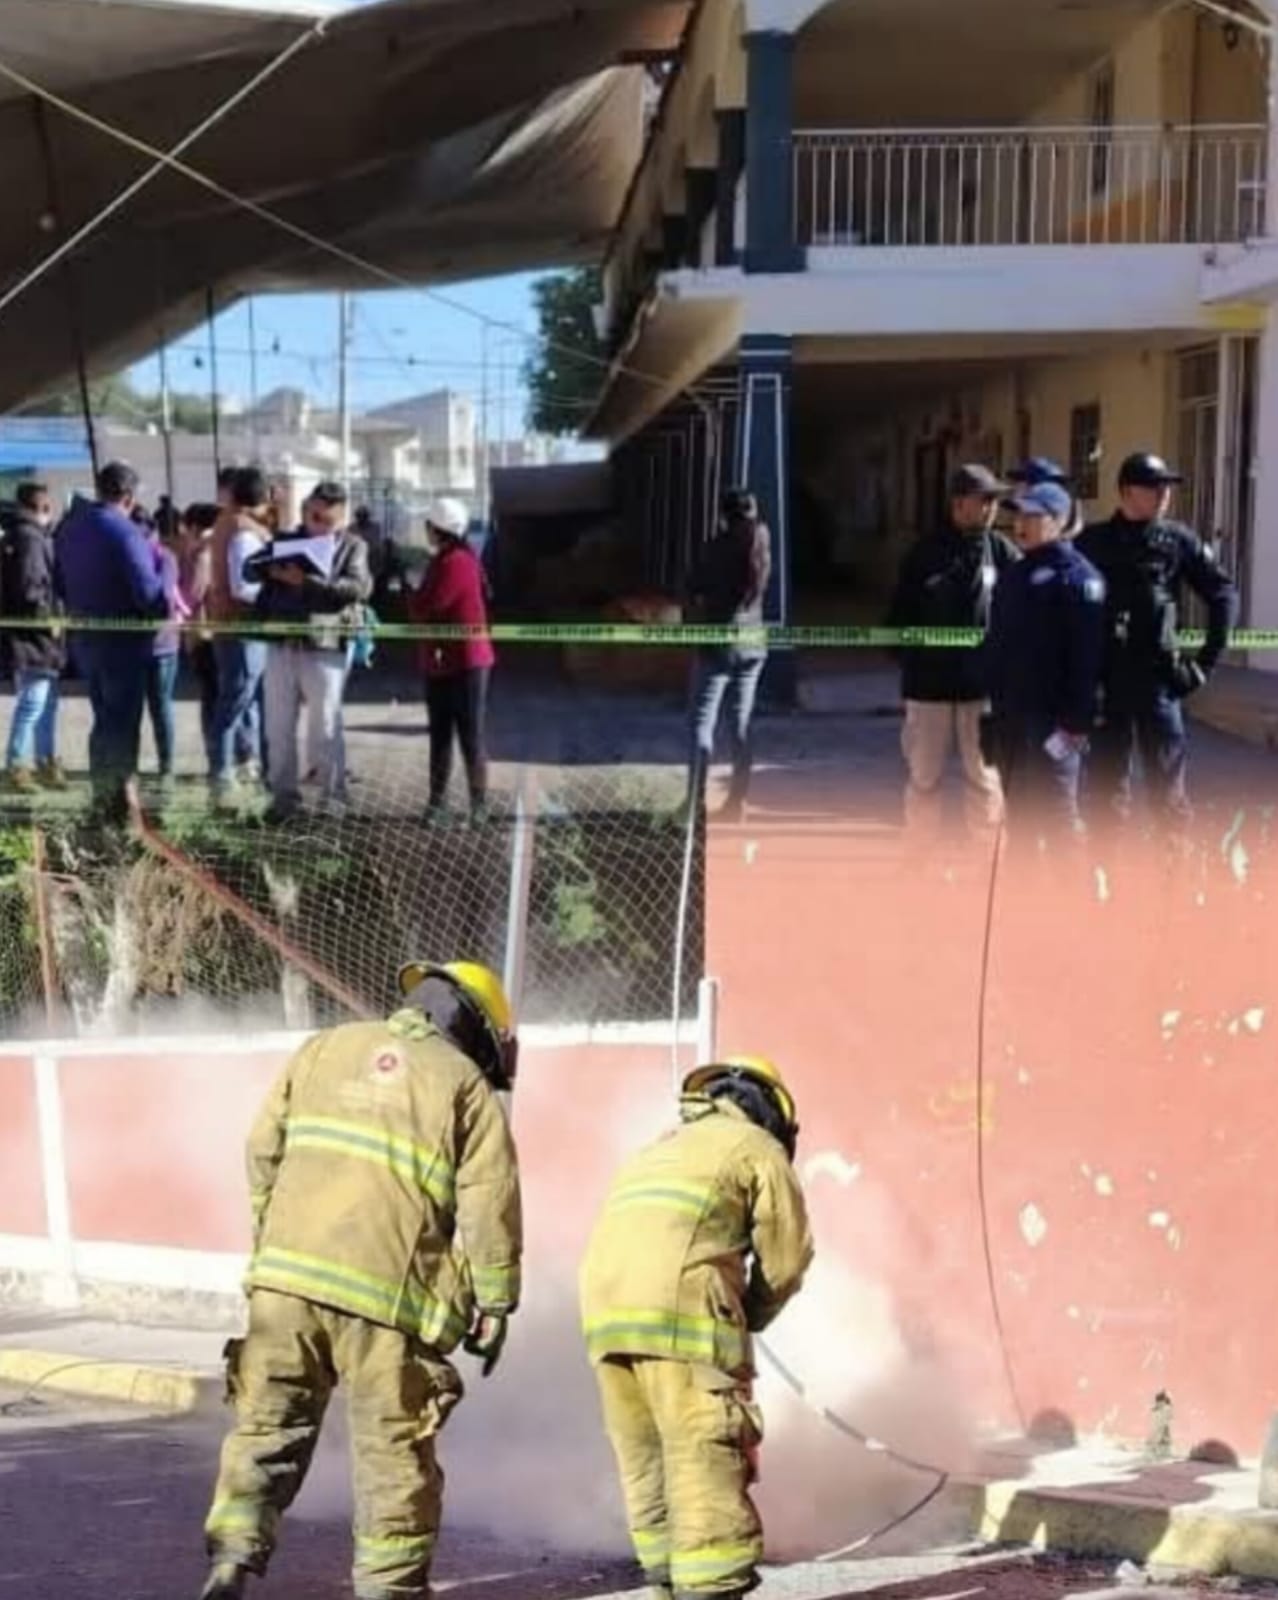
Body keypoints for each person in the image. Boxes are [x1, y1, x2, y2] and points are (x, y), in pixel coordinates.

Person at [197, 959, 522, 1600]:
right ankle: (389, 1589)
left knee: (265, 1429)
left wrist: (274, 1243)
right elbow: (490, 1202)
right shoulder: (463, 1085)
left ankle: (231, 1559)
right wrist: (496, 1300)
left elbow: (261, 1150)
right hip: (388, 1304)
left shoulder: (322, 1047)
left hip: (285, 1287)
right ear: (477, 1030)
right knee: (392, 1450)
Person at [581, 1055, 812, 1600]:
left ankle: (663, 1582)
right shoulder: (756, 1146)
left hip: (607, 1321)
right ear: (767, 1110)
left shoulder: (656, 1147)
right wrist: (748, 1316)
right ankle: (710, 1589)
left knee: (648, 1460)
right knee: (704, 1455)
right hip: (681, 1319)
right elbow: (787, 1258)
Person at [1075, 452, 1238, 826]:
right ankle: (1106, 879)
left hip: (1157, 683)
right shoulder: (1092, 543)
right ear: (1127, 491)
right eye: (1155, 486)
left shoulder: (1176, 540)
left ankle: (1169, 880)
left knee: (1169, 802)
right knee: (1104, 799)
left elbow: (1223, 594)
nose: (1164, 494)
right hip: (1107, 686)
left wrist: (1202, 666)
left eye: (1167, 487)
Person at [886, 464, 1018, 840]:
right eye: (985, 499)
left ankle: (987, 861)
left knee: (985, 779)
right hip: (930, 689)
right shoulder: (924, 553)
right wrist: (913, 659)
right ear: (959, 504)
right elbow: (899, 617)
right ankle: (919, 856)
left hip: (984, 692)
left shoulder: (1002, 552)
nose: (993, 507)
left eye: (995, 500)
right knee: (924, 778)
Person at [985, 482, 1107, 841]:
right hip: (1012, 716)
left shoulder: (1078, 578)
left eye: (1032, 516)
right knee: (1018, 819)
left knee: (1057, 820)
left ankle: (1065, 896)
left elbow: (1087, 659)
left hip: (1054, 723)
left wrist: (1075, 723)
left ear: (1057, 521)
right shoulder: (1016, 574)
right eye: (1018, 515)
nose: (1020, 524)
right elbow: (1000, 643)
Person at [248, 480, 372, 818]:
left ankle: (333, 799)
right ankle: (283, 798)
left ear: (342, 520)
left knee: (325, 727)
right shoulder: (286, 540)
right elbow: (249, 567)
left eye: (327, 520)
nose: (318, 525)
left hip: (325, 645)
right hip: (281, 644)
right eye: (313, 516)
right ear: (304, 511)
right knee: (277, 725)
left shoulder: (353, 546)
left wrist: (306, 581)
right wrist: (270, 567)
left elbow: (358, 588)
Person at [55, 460, 167, 818]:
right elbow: (148, 592)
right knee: (121, 722)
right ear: (130, 497)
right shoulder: (125, 532)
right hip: (124, 641)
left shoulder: (69, 529)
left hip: (85, 638)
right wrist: (161, 606)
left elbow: (59, 582)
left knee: (103, 718)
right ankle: (117, 801)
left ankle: (101, 793)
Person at [684, 488, 772, 823]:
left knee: (700, 723)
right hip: (753, 645)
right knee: (741, 724)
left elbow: (692, 587)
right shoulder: (762, 544)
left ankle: (693, 805)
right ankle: (738, 804)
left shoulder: (717, 548)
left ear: (724, 516)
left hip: (718, 645)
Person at [407, 497, 494, 818]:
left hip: (466, 663)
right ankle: (437, 804)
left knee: (470, 734)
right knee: (441, 735)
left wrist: (412, 595)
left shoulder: (456, 562)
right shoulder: (447, 558)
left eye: (427, 525)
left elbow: (430, 607)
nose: (425, 531)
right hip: (442, 660)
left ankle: (478, 807)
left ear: (436, 528)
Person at [207, 467, 271, 804]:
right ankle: (222, 774)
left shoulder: (226, 525)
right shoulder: (244, 532)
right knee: (234, 703)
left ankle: (247, 763)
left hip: (229, 626)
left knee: (247, 704)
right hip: (242, 627)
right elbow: (243, 587)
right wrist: (277, 592)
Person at [1, 482, 67, 792]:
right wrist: (49, 619)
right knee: (33, 702)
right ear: (41, 507)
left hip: (31, 636)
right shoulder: (30, 538)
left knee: (46, 702)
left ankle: (45, 760)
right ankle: (16, 764)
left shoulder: (21, 535)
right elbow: (31, 588)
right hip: (34, 637)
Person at [136, 508, 189, 789]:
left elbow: (166, 596)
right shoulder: (146, 555)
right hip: (139, 645)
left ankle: (167, 768)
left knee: (160, 707)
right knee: (140, 709)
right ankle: (147, 769)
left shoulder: (163, 556)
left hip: (161, 646)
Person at [178, 502, 221, 770]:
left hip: (204, 632)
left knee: (212, 697)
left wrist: (175, 611)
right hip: (214, 631)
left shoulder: (202, 552)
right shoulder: (216, 546)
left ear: (194, 526)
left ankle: (215, 754)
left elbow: (192, 594)